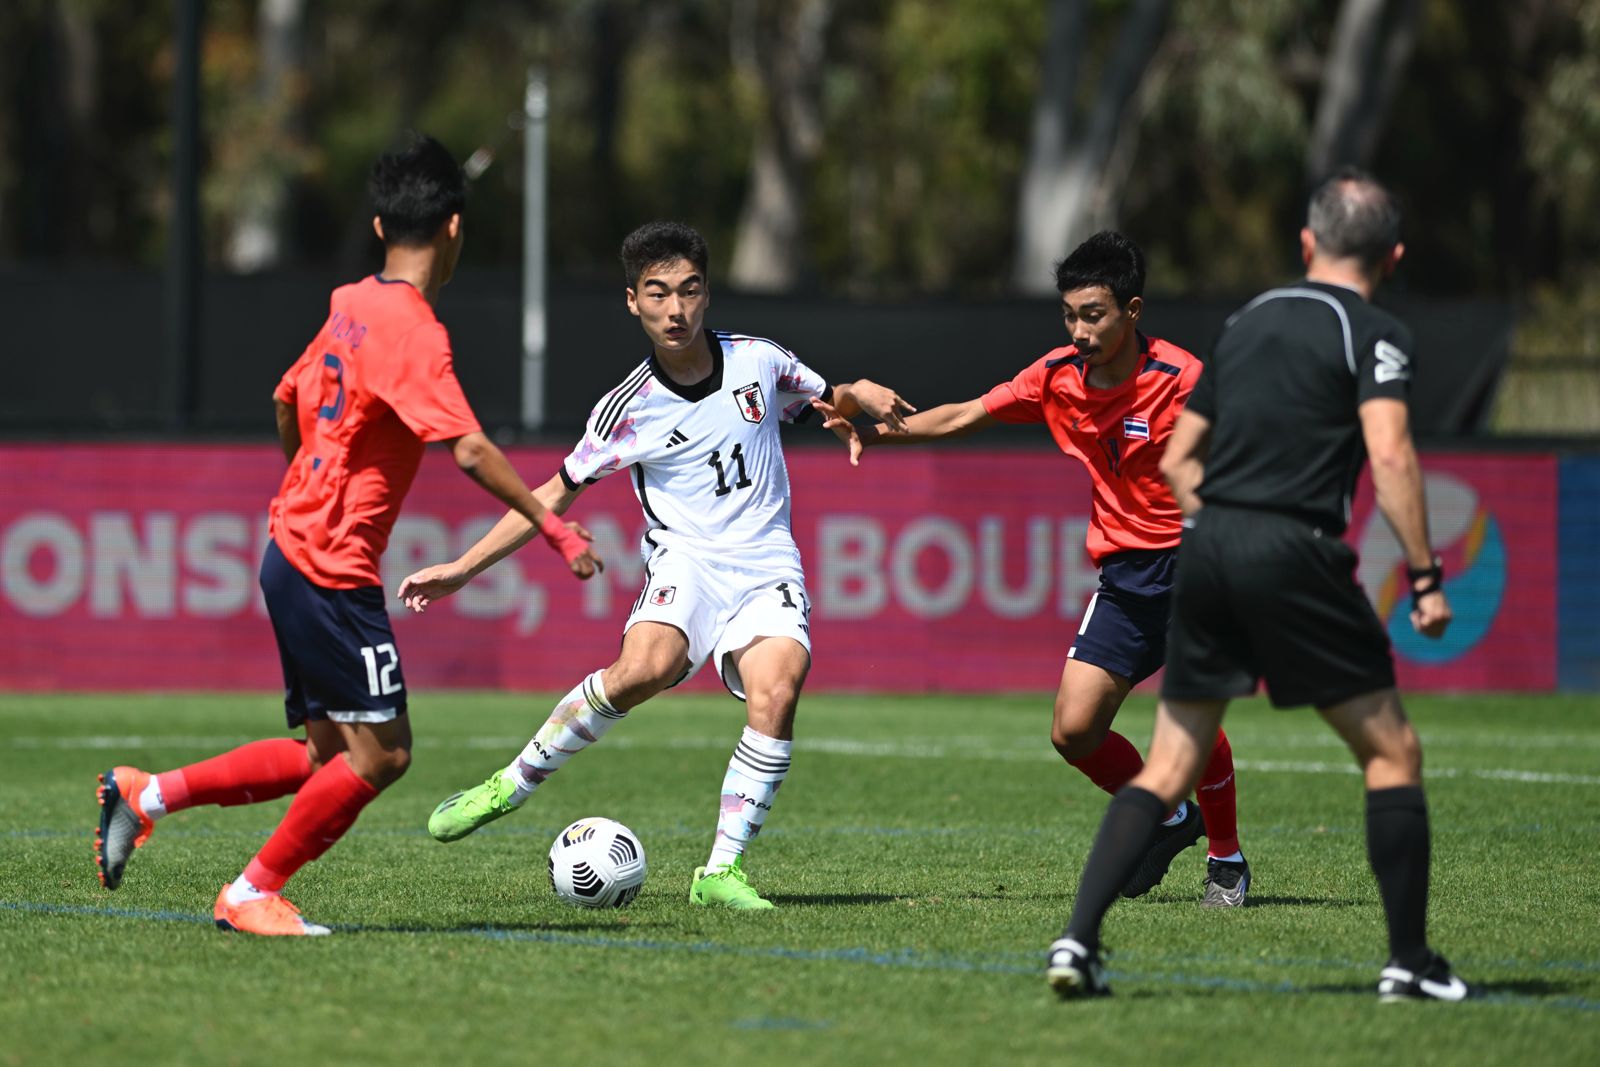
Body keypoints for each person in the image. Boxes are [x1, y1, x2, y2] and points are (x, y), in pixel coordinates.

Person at [93, 134, 602, 936]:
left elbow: (282, 397)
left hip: (289, 548)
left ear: (377, 226)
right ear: (456, 228)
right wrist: (554, 527)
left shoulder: (350, 304)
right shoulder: (414, 329)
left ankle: (143, 793)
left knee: (325, 757)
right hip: (331, 566)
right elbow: (466, 445)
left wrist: (306, 479)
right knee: (384, 755)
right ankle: (250, 891)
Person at [397, 220, 913, 910]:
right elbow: (552, 491)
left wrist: (855, 395)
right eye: (659, 293)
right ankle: (511, 783)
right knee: (644, 669)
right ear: (633, 303)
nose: (676, 309)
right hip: (689, 561)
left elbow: (822, 399)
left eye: (690, 291)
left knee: (779, 688)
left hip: (765, 562)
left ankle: (720, 871)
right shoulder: (626, 409)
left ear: (707, 295)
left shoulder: (759, 359)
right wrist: (463, 566)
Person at [1045, 168, 1471, 1002]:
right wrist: (1423, 573)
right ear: (1392, 255)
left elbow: (1178, 460)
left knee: (1169, 759)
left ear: (1308, 246)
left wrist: (1222, 529)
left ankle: (1077, 943)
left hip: (1206, 550)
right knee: (1393, 751)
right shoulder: (1376, 333)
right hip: (1298, 552)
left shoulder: (1247, 321)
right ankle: (1409, 961)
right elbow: (1390, 457)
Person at [819, 231, 1248, 906]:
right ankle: (1171, 821)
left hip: (1195, 565)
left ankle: (1227, 860)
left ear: (1133, 310)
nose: (1078, 330)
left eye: (1094, 314)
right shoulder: (1055, 377)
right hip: (1127, 581)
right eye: (1070, 314)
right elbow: (965, 414)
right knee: (1073, 731)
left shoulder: (1182, 379)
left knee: (1190, 718)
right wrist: (872, 435)